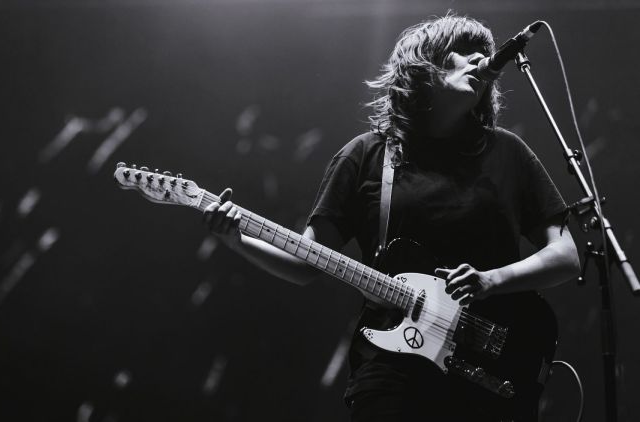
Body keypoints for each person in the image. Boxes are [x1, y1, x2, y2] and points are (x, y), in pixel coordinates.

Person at [203, 13, 580, 422]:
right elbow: (305, 263)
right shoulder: (365, 156)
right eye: (464, 52)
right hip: (393, 369)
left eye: (485, 55)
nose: (480, 60)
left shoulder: (508, 153)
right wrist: (236, 240)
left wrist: (492, 280)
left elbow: (565, 256)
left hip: (492, 366)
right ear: (424, 65)